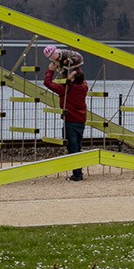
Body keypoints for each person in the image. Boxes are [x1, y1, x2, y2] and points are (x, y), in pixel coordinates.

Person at [44, 46, 91, 180]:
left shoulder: (66, 89)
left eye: (71, 74)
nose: (70, 73)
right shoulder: (84, 87)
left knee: (72, 147)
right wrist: (75, 67)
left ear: (71, 79)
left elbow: (47, 83)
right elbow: (80, 77)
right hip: (81, 120)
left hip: (70, 120)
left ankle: (77, 175)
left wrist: (50, 70)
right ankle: (78, 171)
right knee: (78, 145)